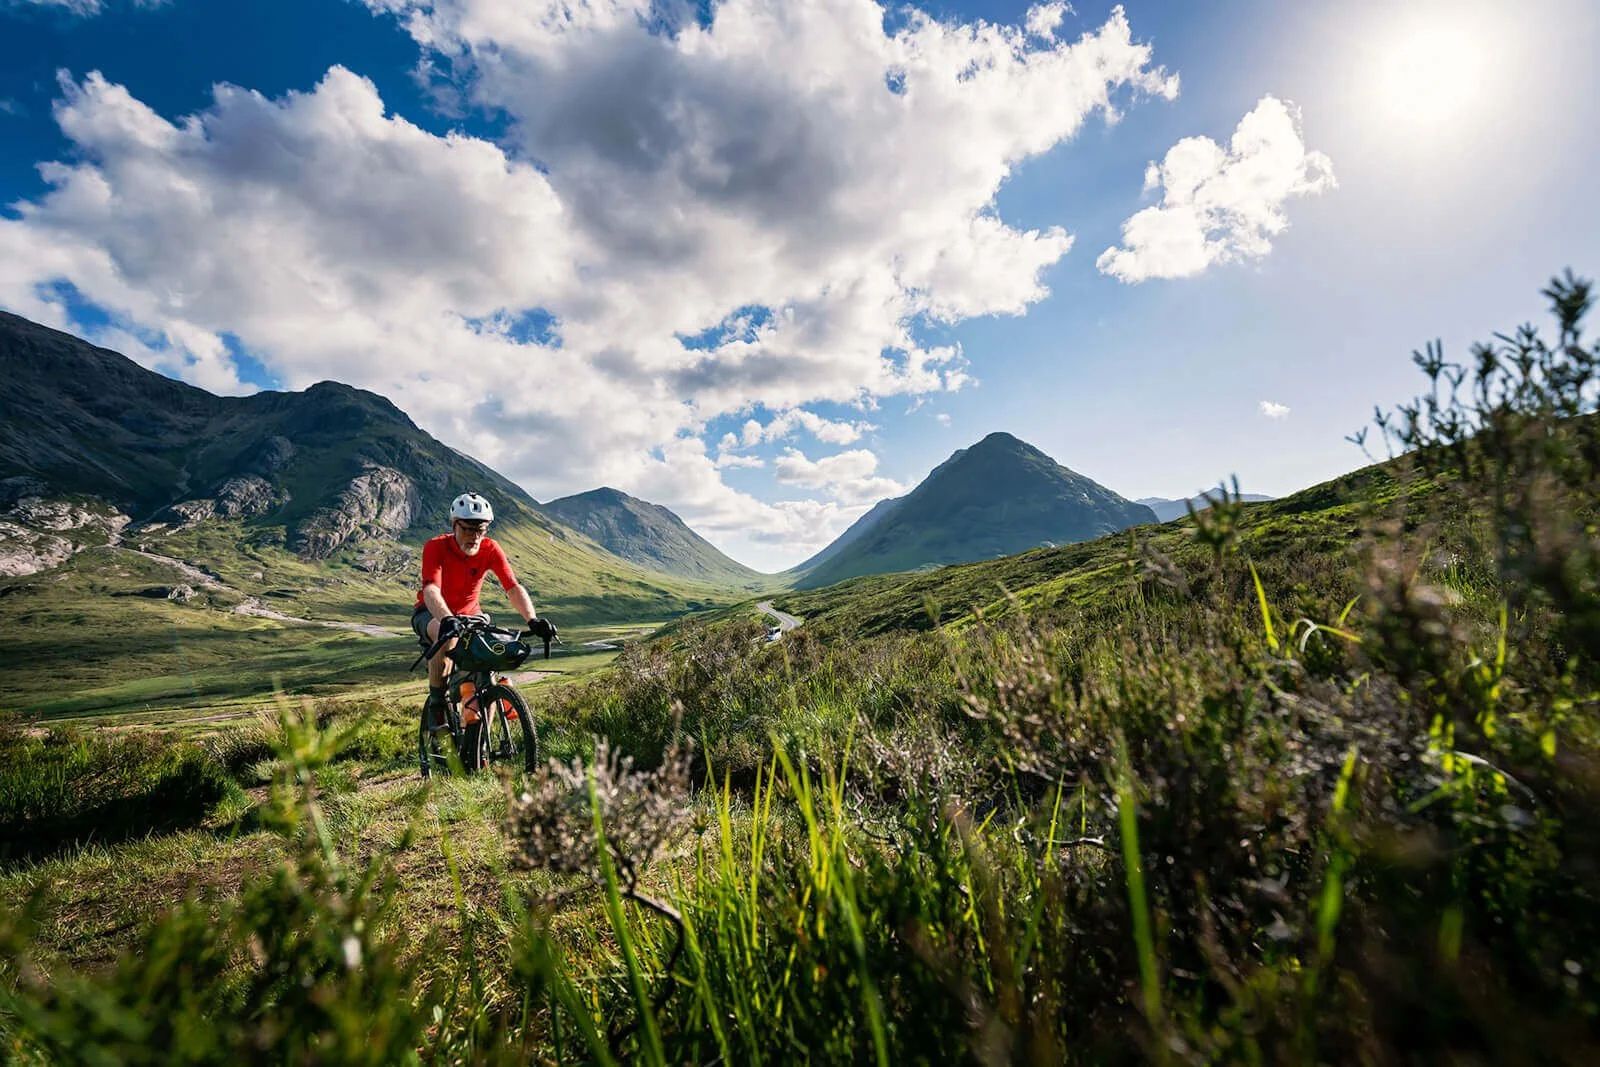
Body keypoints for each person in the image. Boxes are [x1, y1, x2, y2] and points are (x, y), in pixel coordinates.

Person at [411, 492, 553, 725]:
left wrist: (533, 620)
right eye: (468, 529)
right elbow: (430, 590)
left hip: (471, 615)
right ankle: (438, 701)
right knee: (445, 634)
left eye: (481, 530)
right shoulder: (436, 547)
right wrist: (447, 618)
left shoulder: (490, 548)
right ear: (454, 525)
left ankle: (481, 745)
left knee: (491, 653)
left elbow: (512, 587)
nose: (474, 537)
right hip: (431, 612)